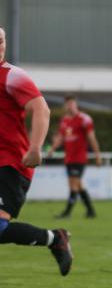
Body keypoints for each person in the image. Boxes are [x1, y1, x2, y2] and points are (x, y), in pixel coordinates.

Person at [0, 26, 73, 275]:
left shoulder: (11, 75)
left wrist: (35, 147)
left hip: (10, 163)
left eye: (1, 41)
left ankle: (55, 239)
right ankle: (55, 238)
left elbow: (41, 108)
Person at [50, 95, 101, 219]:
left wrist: (97, 156)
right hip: (69, 158)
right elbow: (61, 137)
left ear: (76, 104)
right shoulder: (64, 120)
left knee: (74, 184)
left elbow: (92, 138)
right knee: (78, 185)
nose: (70, 106)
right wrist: (52, 149)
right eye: (68, 104)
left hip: (79, 158)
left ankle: (67, 213)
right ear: (65, 106)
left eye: (72, 103)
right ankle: (91, 211)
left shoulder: (84, 119)